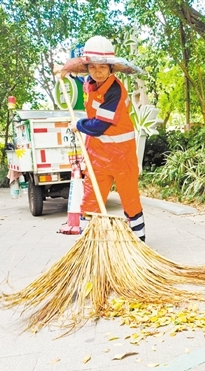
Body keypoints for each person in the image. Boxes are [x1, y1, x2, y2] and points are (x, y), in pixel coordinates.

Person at [60, 36, 145, 241]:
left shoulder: (115, 91)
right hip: (97, 154)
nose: (97, 72)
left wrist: (78, 125)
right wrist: (65, 74)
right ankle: (91, 244)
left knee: (129, 198)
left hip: (121, 155)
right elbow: (81, 80)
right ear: (87, 67)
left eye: (102, 67)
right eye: (93, 67)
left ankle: (139, 243)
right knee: (90, 200)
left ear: (111, 68)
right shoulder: (89, 82)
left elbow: (98, 126)